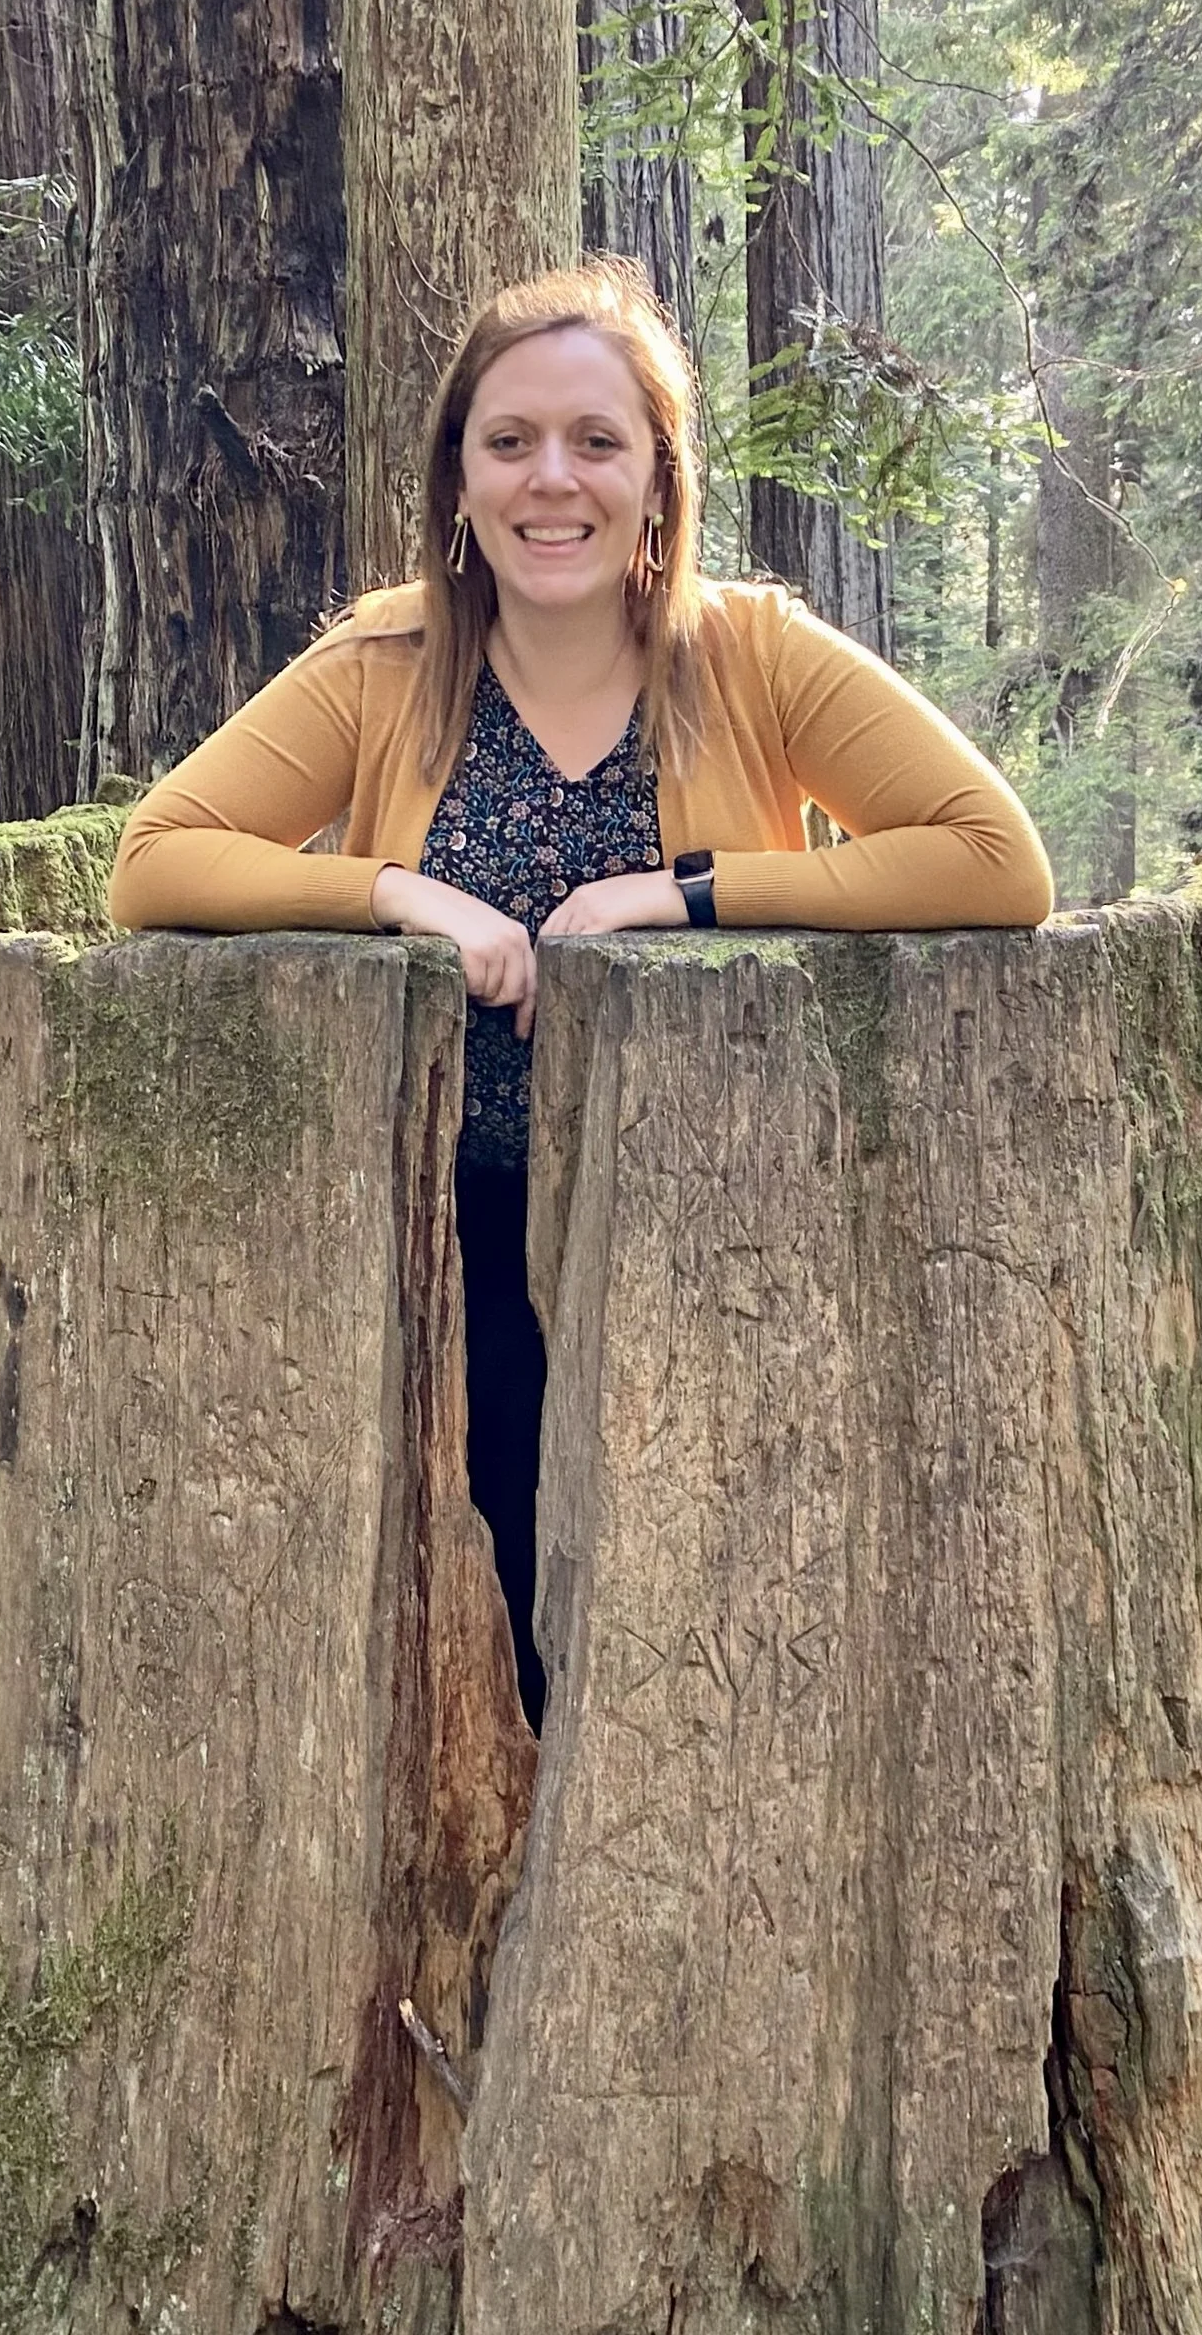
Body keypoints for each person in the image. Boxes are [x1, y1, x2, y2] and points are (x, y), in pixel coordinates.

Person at [108, 260, 1054, 1729]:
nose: (555, 479)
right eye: (512, 441)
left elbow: (999, 861)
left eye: (598, 441)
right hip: (449, 1263)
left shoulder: (754, 657)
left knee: (715, 1662)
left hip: (721, 1259)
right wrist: (396, 893)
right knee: (480, 1674)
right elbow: (156, 857)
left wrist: (680, 896)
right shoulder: (385, 670)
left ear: (658, 477)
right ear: (460, 480)